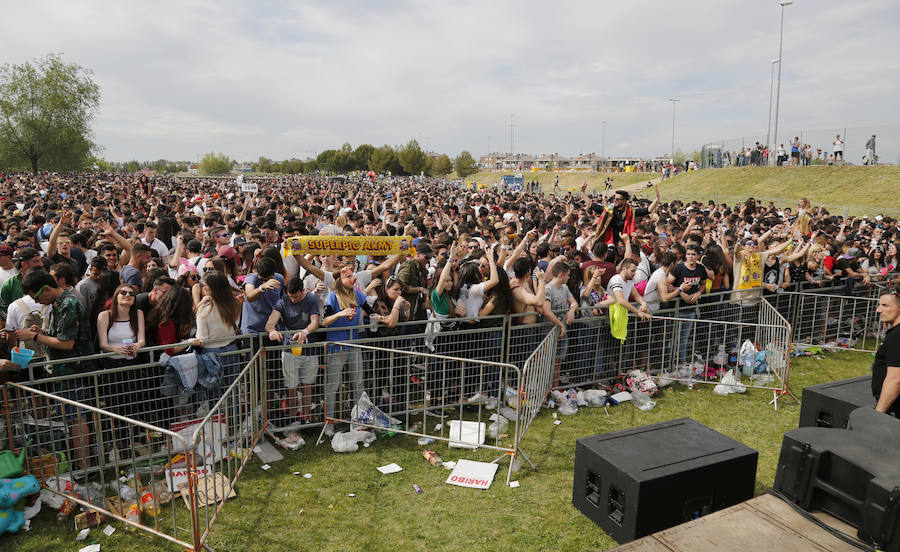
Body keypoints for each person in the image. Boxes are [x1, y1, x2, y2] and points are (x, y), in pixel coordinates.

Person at [17, 269, 93, 474]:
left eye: (37, 297)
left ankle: (83, 467)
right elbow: (61, 335)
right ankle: (81, 463)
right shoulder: (59, 304)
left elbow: (67, 343)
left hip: (73, 369)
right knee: (72, 417)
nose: (38, 302)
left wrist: (34, 338)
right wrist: (43, 333)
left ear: (47, 288)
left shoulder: (68, 303)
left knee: (76, 418)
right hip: (64, 369)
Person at [266, 276, 320, 425]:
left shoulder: (311, 299)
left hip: (309, 349)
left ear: (303, 291)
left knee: (307, 384)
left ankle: (306, 417)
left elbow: (315, 322)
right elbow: (270, 323)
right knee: (291, 385)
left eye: (296, 296)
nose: (293, 299)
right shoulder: (282, 301)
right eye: (291, 296)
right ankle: (292, 416)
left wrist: (305, 332)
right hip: (289, 350)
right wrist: (272, 331)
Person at [872, 291, 900, 416]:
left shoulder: (897, 336)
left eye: (885, 305)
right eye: (879, 305)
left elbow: (895, 380)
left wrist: (879, 415)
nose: (878, 310)